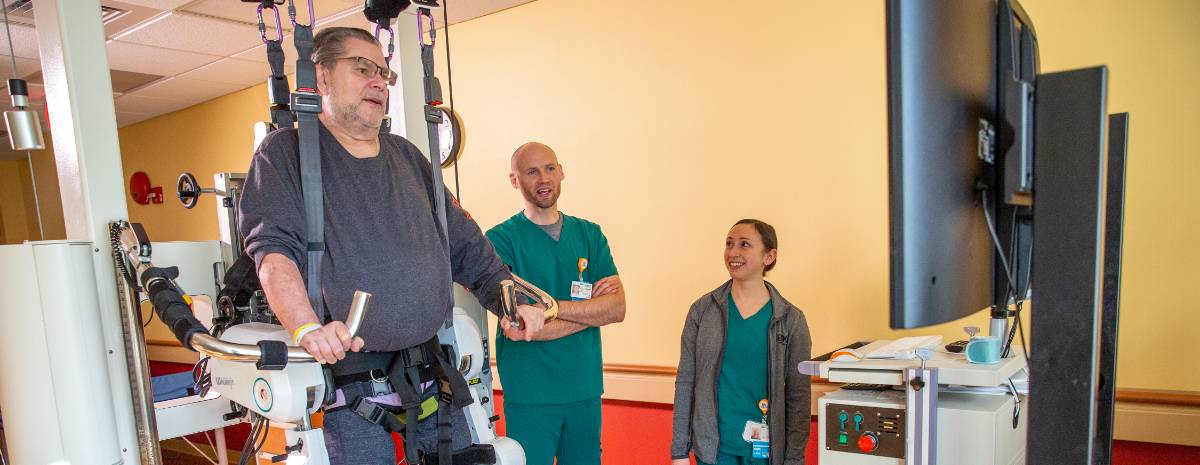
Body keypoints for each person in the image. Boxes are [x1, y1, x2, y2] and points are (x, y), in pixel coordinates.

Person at [238, 27, 545, 465]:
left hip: (430, 373)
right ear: (321, 78)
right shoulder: (285, 153)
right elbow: (272, 252)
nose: (378, 82)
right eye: (362, 69)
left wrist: (507, 301)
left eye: (383, 73)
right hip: (352, 385)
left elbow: (465, 245)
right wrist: (307, 328)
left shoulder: (406, 156)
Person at [485, 142, 627, 465]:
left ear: (562, 171)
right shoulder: (499, 241)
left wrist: (552, 310)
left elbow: (617, 308)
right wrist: (591, 311)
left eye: (550, 168)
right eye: (531, 171)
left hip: (584, 389)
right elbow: (523, 327)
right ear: (514, 180)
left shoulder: (590, 235)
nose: (543, 178)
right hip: (530, 394)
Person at [670, 219, 812, 465]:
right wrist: (679, 451)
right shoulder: (703, 311)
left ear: (769, 256)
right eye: (729, 244)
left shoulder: (791, 320)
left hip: (766, 453)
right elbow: (686, 381)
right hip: (714, 451)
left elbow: (799, 398)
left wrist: (794, 460)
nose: (733, 252)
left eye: (744, 244)